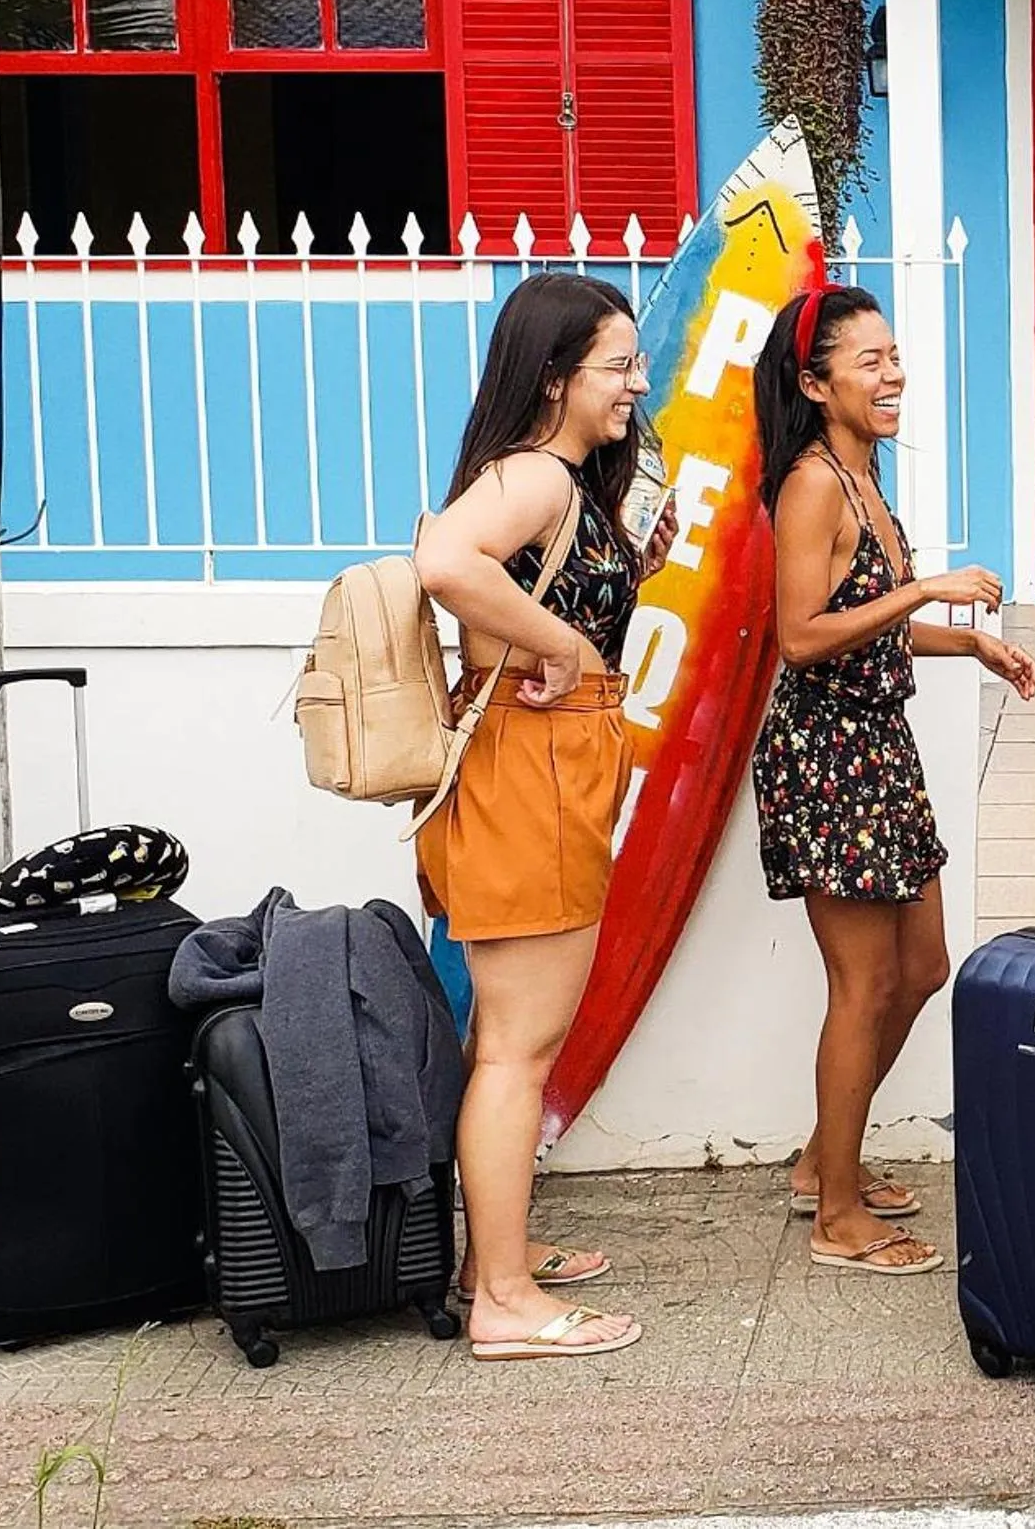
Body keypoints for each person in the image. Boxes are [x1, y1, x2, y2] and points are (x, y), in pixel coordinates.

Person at [753, 283, 1035, 1277]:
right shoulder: (813, 483)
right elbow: (800, 637)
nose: (894, 374)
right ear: (814, 381)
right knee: (864, 982)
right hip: (831, 756)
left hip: (878, 748)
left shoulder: (859, 470)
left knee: (921, 968)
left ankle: (819, 1163)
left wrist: (964, 642)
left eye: (893, 355)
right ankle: (837, 1212)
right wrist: (928, 586)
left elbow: (863, 616)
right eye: (869, 360)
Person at [415, 271, 673, 1361]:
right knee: (520, 1050)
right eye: (617, 365)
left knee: (506, 1042)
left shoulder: (561, 481)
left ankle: (494, 1261)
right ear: (556, 376)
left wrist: (619, 577)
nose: (635, 383)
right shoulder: (532, 476)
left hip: (548, 764)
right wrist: (566, 645)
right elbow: (442, 561)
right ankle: (507, 1302)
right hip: (536, 768)